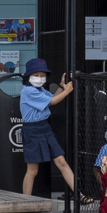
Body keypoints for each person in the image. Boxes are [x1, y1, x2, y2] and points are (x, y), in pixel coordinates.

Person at [17, 59, 78, 199]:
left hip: (44, 127)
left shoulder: (40, 89)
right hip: (32, 130)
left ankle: (79, 195)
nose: (40, 78)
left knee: (61, 161)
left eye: (42, 75)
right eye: (36, 75)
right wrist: (68, 90)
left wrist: (62, 87)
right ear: (28, 76)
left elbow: (52, 98)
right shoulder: (28, 91)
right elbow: (53, 102)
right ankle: (25, 202)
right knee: (32, 170)